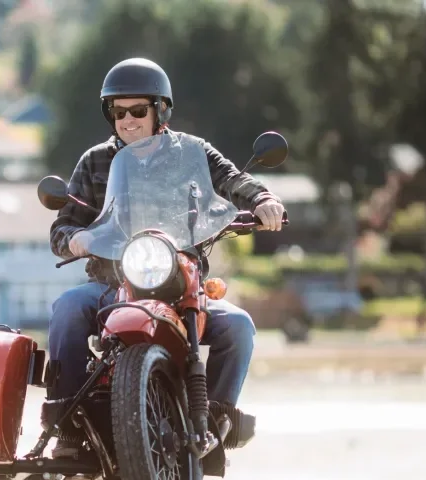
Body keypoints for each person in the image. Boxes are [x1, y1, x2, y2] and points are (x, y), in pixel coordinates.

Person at [44, 57, 286, 459]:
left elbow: (231, 179)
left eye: (138, 110)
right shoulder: (94, 161)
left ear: (161, 111)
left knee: (238, 326)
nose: (128, 120)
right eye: (118, 112)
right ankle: (68, 424)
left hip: (182, 286)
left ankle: (215, 419)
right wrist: (76, 238)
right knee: (68, 309)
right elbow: (63, 226)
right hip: (111, 283)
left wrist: (262, 198)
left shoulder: (191, 154)